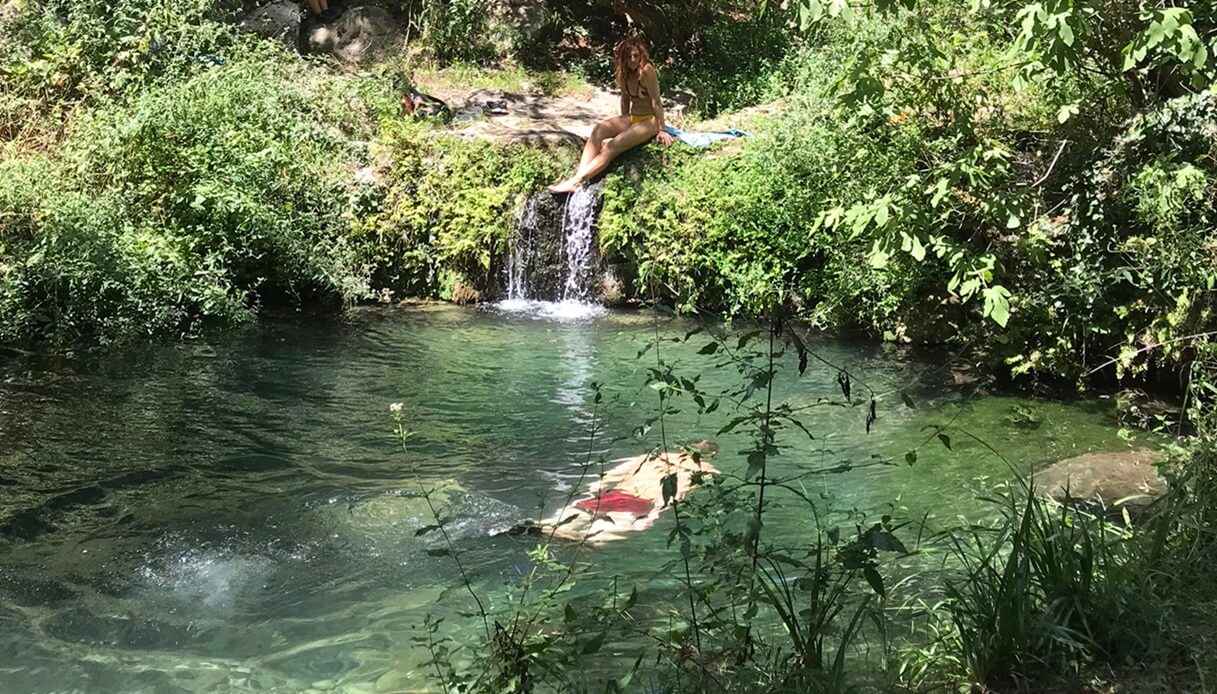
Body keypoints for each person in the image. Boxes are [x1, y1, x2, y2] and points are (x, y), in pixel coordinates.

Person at [505, 441, 719, 545]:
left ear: (684, 448)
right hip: (639, 504)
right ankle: (565, 537)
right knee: (596, 540)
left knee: (561, 519)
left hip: (611, 494)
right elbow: (676, 494)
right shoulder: (704, 470)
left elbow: (613, 472)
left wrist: (595, 489)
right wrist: (653, 514)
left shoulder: (657, 456)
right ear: (711, 456)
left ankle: (542, 527)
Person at [548, 36, 674, 193]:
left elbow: (656, 101)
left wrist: (662, 129)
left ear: (641, 55)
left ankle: (577, 182)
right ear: (623, 58)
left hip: (650, 121)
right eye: (629, 57)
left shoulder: (647, 71)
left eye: (636, 56)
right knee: (598, 130)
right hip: (633, 118)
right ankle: (581, 173)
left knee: (611, 146)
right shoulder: (624, 74)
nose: (633, 60)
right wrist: (624, 125)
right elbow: (625, 99)